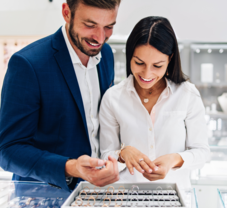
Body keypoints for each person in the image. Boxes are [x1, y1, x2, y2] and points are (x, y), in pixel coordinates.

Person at [0, 0, 121, 191]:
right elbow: (8, 150)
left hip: (95, 194)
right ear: (66, 13)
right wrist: (71, 168)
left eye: (108, 27)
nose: (99, 37)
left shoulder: (105, 54)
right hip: (42, 195)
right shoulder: (28, 64)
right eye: (89, 25)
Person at [99, 16, 210, 188]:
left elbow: (202, 153)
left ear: (170, 59)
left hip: (174, 197)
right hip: (127, 196)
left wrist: (175, 159)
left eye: (157, 66)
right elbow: (105, 155)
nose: (147, 74)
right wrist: (122, 154)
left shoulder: (187, 95)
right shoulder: (113, 98)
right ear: (130, 56)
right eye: (139, 63)